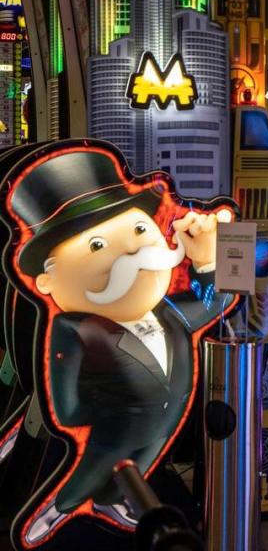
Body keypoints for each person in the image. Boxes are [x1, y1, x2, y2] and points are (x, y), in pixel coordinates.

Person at [3, 145, 234, 544]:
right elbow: (66, 407)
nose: (136, 250)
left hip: (160, 434)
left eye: (141, 230)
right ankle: (58, 509)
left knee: (138, 473)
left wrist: (218, 256)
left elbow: (223, 300)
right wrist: (106, 405)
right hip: (105, 438)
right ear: (46, 281)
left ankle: (116, 500)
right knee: (85, 478)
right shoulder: (75, 331)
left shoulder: (169, 314)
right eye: (97, 245)